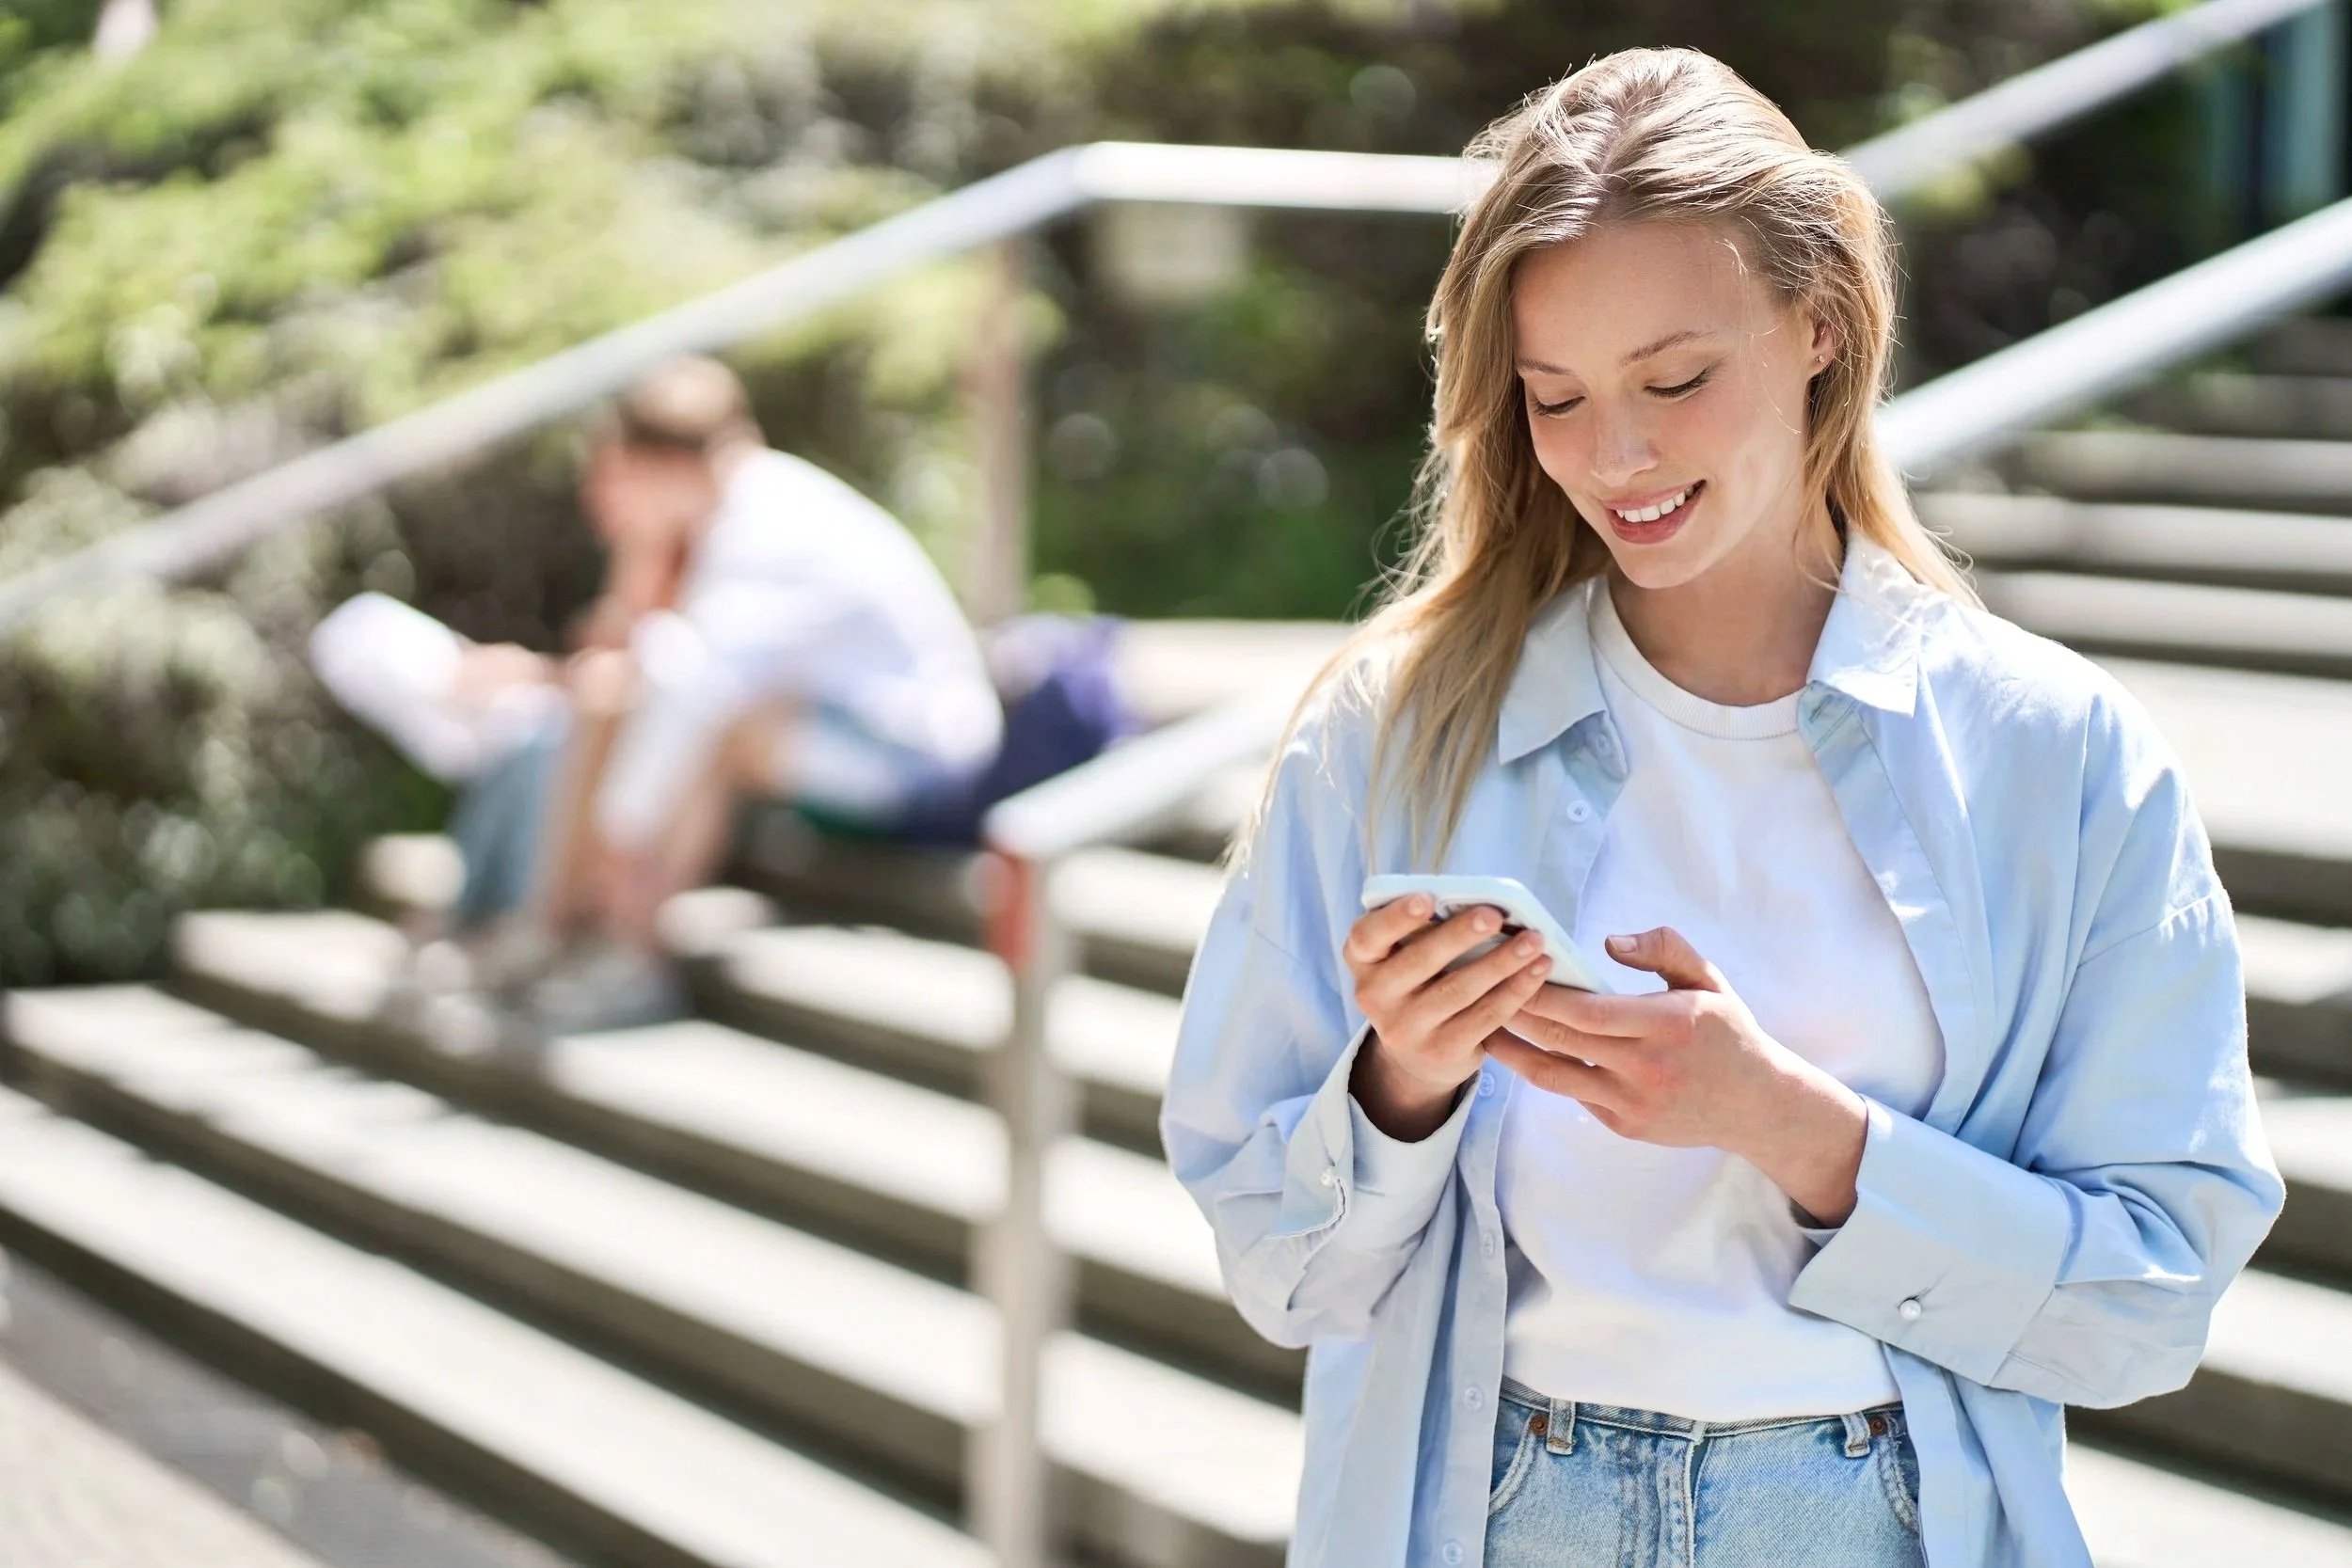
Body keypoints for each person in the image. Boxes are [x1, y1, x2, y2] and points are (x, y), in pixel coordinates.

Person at [1158, 47, 2282, 1568]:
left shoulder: (2055, 752)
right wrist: (1400, 1083)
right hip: (1494, 1513)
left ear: (1820, 323)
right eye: (1555, 398)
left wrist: (1791, 1128)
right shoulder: (1397, 730)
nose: (1616, 457)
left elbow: (2153, 1304)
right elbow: (1281, 1272)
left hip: (1876, 1520)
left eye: (1676, 380)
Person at [314, 356, 1004, 1030]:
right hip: (831, 740)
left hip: (922, 768)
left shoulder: (771, 532)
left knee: (715, 723)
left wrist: (621, 837)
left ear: (664, 468)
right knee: (629, 696)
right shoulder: (721, 518)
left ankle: (632, 954)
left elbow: (695, 687)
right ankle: (543, 929)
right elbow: (624, 670)